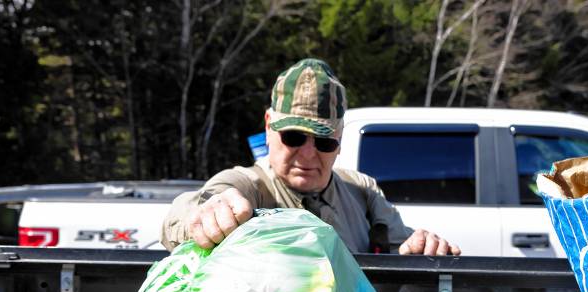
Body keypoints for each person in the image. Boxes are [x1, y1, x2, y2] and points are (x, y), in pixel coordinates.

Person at [161, 58, 460, 256]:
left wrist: (424, 248)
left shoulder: (362, 191)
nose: (307, 153)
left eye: (324, 142)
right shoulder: (250, 187)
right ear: (268, 126)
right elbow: (190, 210)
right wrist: (206, 215)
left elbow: (402, 247)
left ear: (340, 140)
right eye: (293, 137)